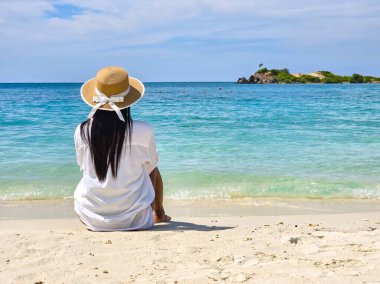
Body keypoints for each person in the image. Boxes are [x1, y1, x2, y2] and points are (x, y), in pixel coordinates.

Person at [74, 66, 170, 231]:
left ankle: (100, 210)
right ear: (129, 101)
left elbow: (83, 166)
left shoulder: (81, 131)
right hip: (137, 220)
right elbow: (150, 168)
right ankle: (159, 212)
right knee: (152, 166)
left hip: (91, 218)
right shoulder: (144, 130)